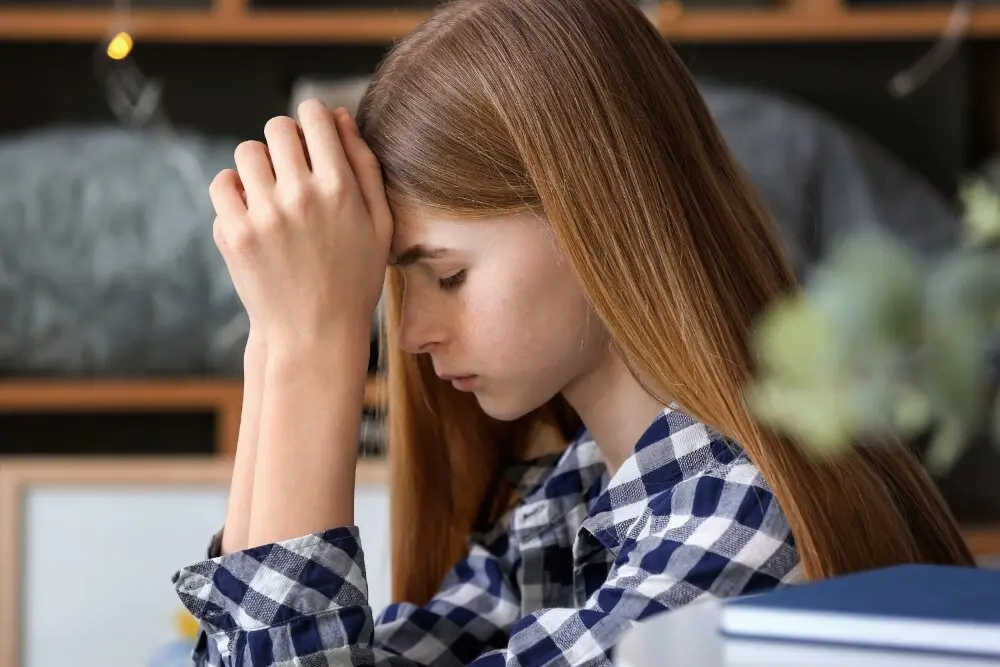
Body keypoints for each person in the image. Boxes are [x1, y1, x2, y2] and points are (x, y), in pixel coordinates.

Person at [172, 0, 975, 664]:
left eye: (448, 274)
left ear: (597, 215)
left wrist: (312, 347)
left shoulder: (736, 525)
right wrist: (274, 334)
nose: (410, 332)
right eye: (400, 285)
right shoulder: (572, 499)